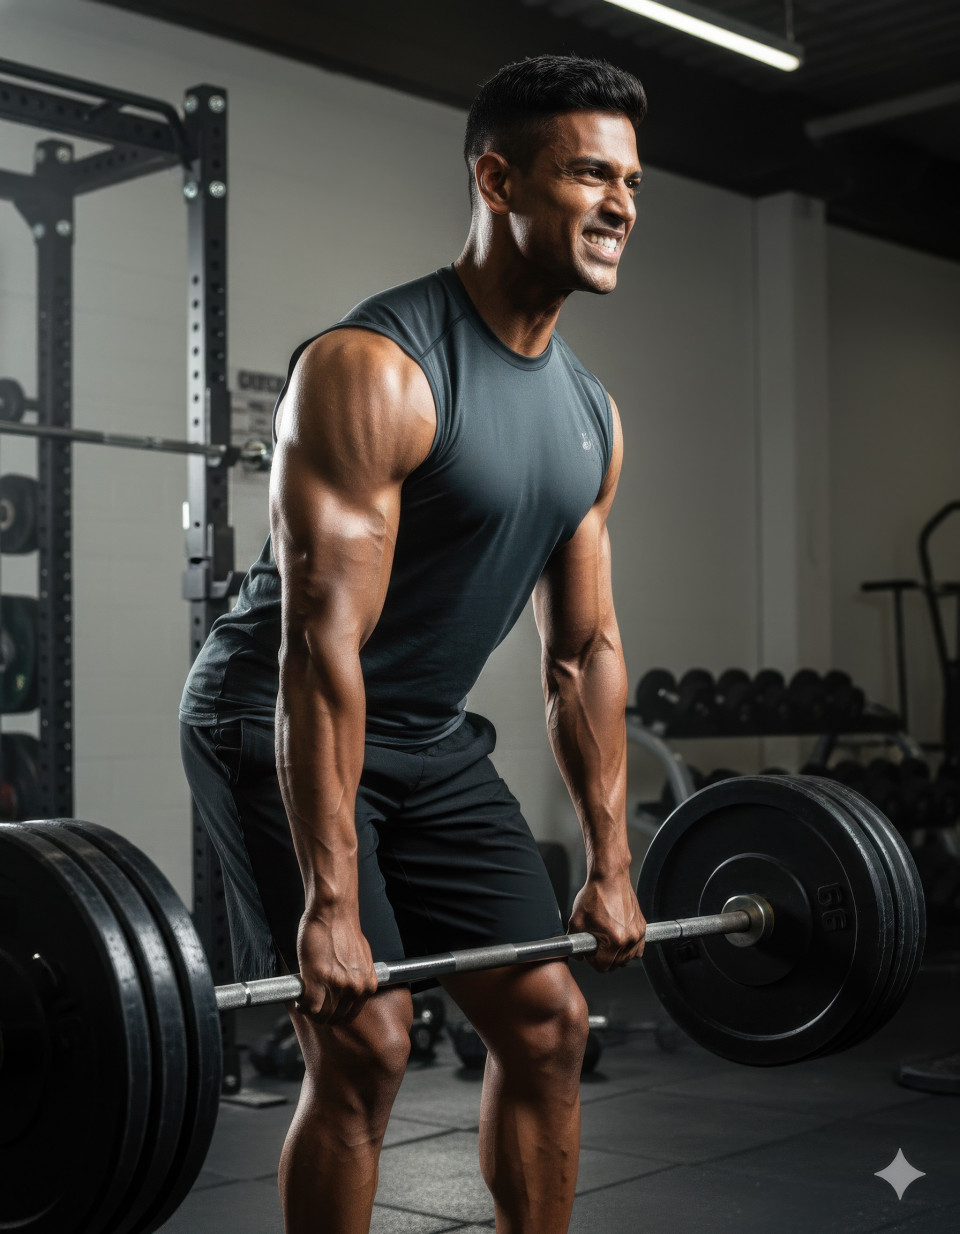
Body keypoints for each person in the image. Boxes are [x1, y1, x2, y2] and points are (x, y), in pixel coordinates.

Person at [180, 52, 648, 1234]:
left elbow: (582, 653)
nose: (621, 204)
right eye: (589, 172)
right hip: (271, 715)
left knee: (549, 1023)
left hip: (428, 741)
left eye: (631, 180)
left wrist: (612, 857)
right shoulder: (375, 370)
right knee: (369, 1040)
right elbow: (317, 650)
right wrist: (331, 904)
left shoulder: (590, 415)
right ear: (498, 178)